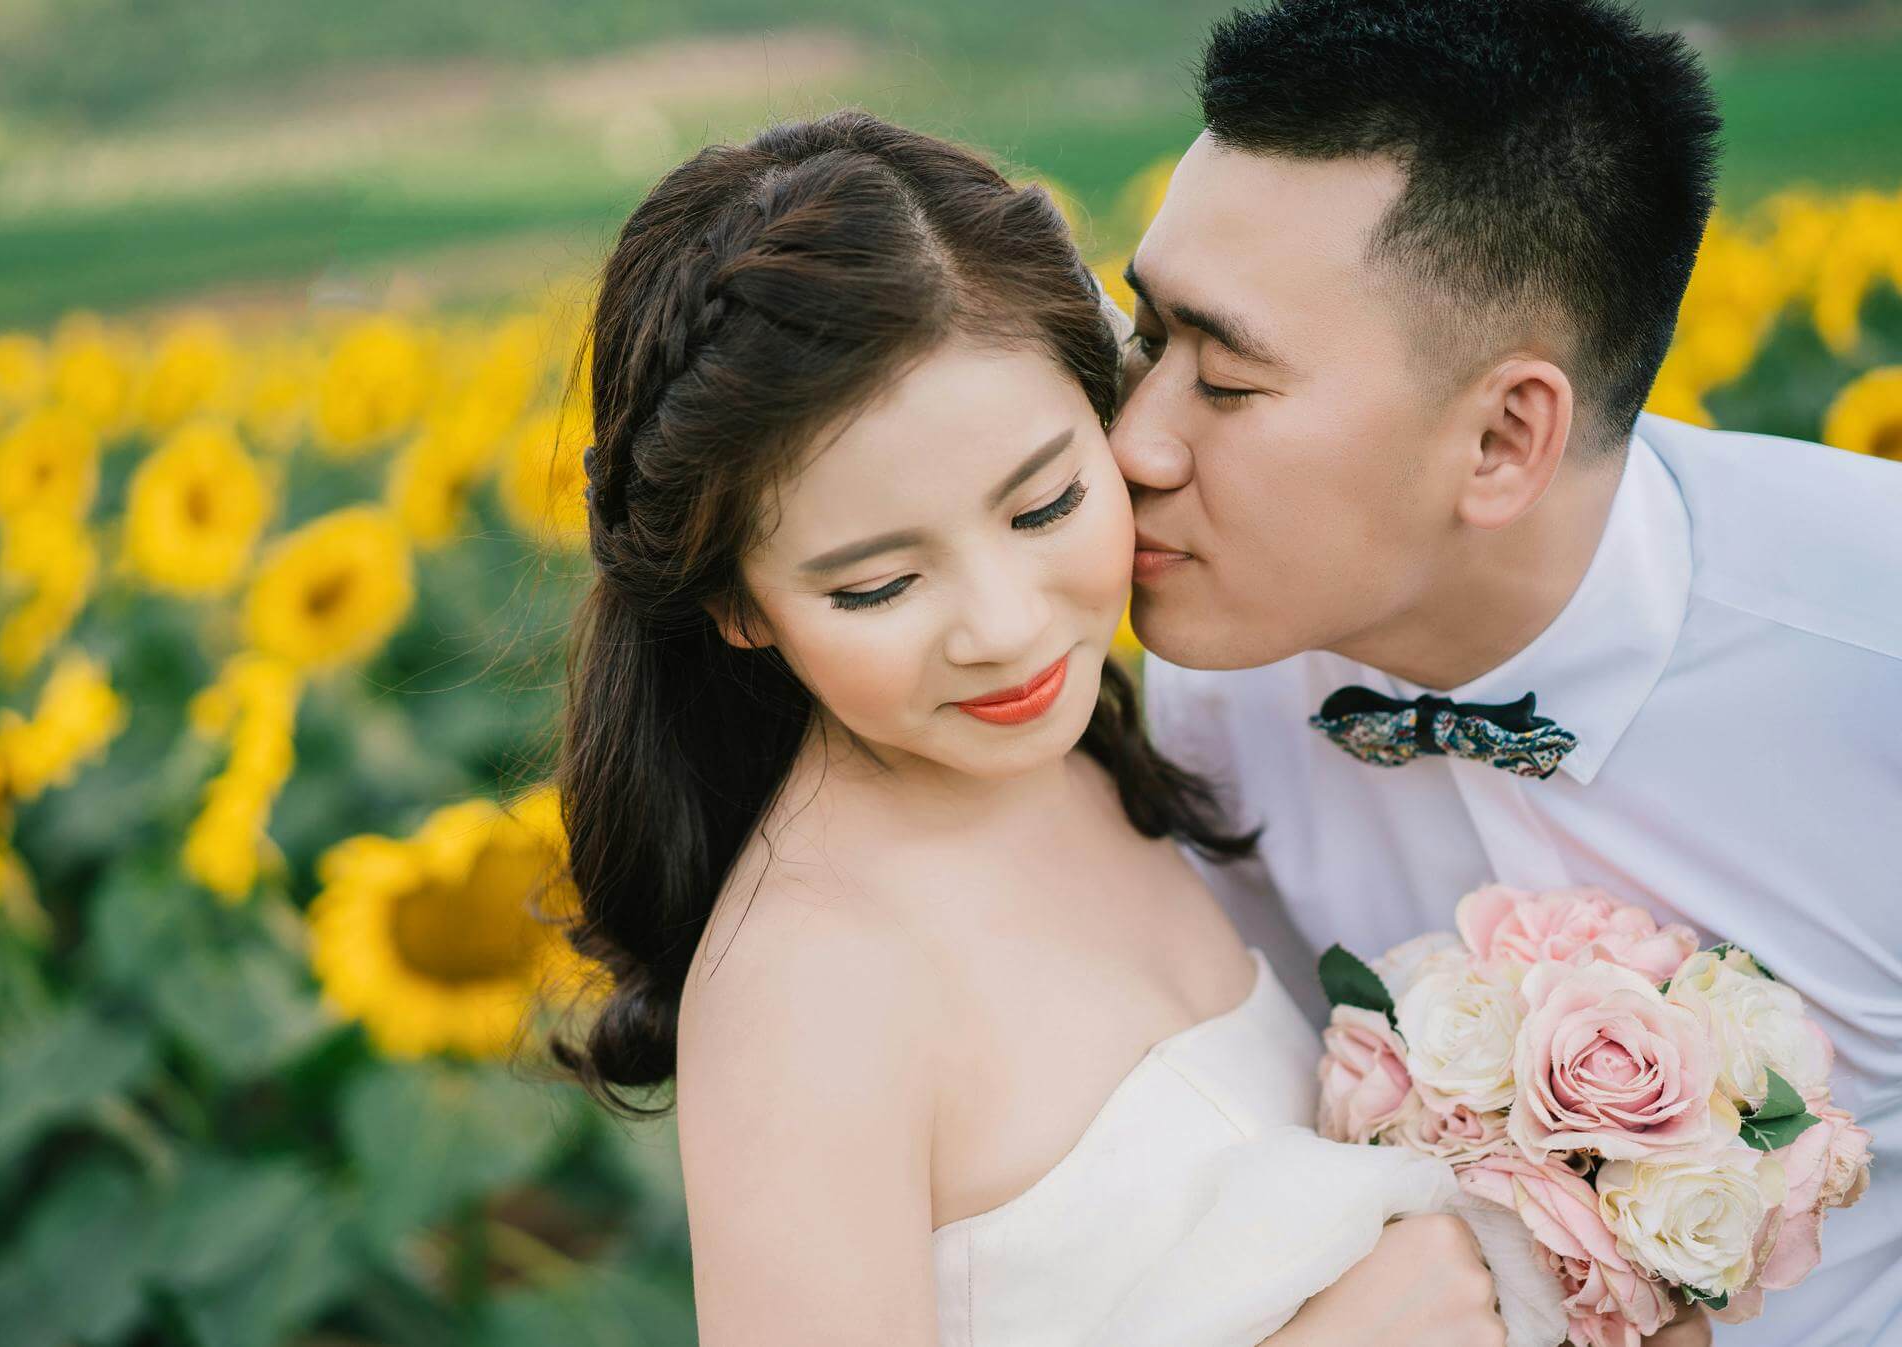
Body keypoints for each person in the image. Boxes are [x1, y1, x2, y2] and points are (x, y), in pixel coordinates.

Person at [549, 109, 1588, 1347]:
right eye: (876, 587)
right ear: (736, 605)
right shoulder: (808, 989)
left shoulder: (1095, 752)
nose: (1000, 627)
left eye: (1043, 505)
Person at [1119, 4, 1901, 1345]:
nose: (1135, 442)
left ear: (1503, 435)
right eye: (1149, 336)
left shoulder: (1871, 654)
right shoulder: (1216, 685)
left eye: (1227, 382)